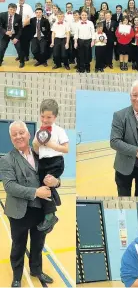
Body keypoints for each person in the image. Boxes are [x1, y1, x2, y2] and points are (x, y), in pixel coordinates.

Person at [0, 121, 59, 287]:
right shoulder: (6, 160)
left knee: (38, 243)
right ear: (11, 138)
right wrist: (35, 192)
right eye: (14, 134)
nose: (18, 136)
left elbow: (53, 174)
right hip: (19, 211)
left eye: (21, 133)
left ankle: (36, 270)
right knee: (18, 245)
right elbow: (9, 186)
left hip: (40, 210)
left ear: (29, 135)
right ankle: (17, 276)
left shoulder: (42, 155)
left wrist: (56, 181)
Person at [32, 99, 69, 232]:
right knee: (41, 185)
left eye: (49, 117)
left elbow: (66, 149)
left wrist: (51, 144)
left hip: (55, 162)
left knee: (46, 183)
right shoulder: (39, 130)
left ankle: (50, 215)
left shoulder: (59, 130)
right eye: (43, 116)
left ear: (55, 117)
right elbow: (37, 151)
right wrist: (35, 145)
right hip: (43, 162)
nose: (45, 119)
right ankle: (53, 204)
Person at [0, 3, 24, 68]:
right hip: (5, 34)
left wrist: (16, 38)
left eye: (14, 10)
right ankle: (0, 61)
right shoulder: (2, 15)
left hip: (14, 34)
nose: (12, 11)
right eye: (11, 9)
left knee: (19, 48)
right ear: (8, 9)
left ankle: (22, 62)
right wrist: (5, 32)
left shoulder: (19, 17)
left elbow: (20, 29)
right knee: (1, 49)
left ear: (16, 10)